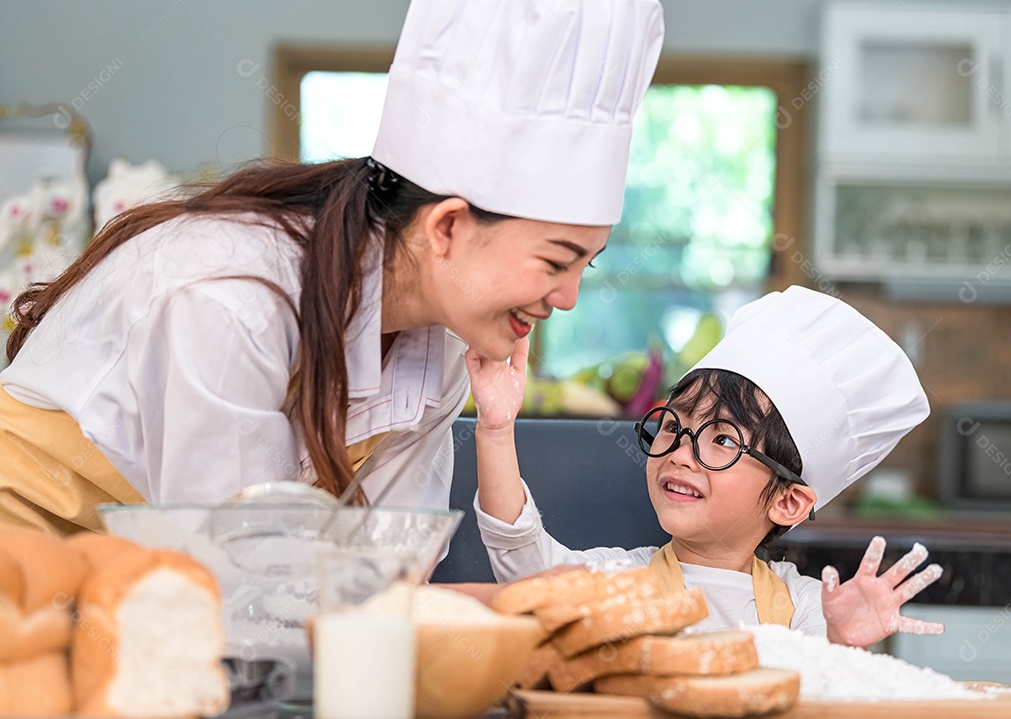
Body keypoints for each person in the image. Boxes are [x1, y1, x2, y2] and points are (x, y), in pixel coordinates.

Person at [0, 0, 665, 533]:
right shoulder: (230, 300)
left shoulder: (439, 353)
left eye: (588, 266)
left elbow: (383, 569)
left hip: (162, 603)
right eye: (557, 260)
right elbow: (240, 573)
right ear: (448, 226)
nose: (571, 296)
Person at [469, 286, 944, 647]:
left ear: (788, 500)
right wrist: (495, 429)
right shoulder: (613, 580)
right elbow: (524, 568)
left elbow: (825, 689)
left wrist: (841, 645)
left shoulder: (806, 609)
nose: (678, 452)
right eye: (673, 427)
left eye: (722, 439)